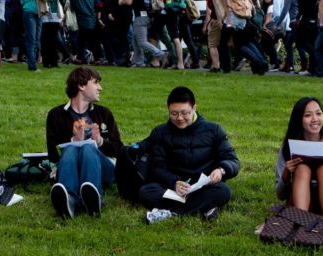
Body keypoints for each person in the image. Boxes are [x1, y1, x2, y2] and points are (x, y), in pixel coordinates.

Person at [139, 86, 239, 223]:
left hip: (204, 186)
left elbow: (232, 160)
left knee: (224, 191)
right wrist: (174, 182)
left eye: (184, 113)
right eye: (174, 114)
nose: (179, 118)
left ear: (194, 108)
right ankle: (205, 208)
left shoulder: (213, 130)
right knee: (146, 191)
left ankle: (169, 212)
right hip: (173, 187)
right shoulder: (160, 133)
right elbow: (157, 168)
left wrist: (221, 170)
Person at [46, 67, 123, 218]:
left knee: (88, 147)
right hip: (70, 168)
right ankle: (69, 199)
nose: (100, 88)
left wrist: (100, 141)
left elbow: (119, 150)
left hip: (103, 170)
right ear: (81, 86)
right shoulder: (56, 115)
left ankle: (95, 197)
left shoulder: (104, 113)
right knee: (72, 148)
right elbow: (53, 155)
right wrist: (74, 141)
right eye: (95, 83)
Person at [275, 97, 323, 221]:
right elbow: (280, 195)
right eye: (308, 115)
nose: (315, 119)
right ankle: (300, 222)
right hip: (300, 198)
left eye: (319, 114)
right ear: (299, 119)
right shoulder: (289, 145)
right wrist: (286, 173)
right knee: (303, 168)